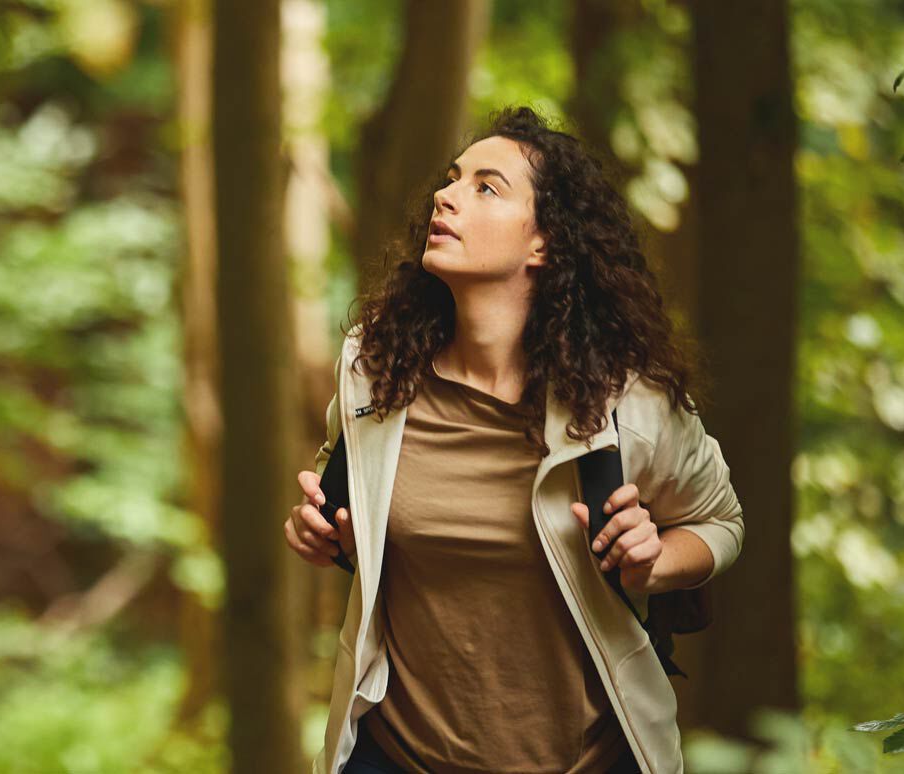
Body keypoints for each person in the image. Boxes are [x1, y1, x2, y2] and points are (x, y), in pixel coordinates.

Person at [283, 106, 745, 774]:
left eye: (485, 187)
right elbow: (354, 512)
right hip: (395, 756)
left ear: (544, 244)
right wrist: (326, 536)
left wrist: (658, 562)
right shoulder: (374, 376)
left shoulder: (625, 403)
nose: (446, 196)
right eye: (451, 179)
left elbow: (719, 520)